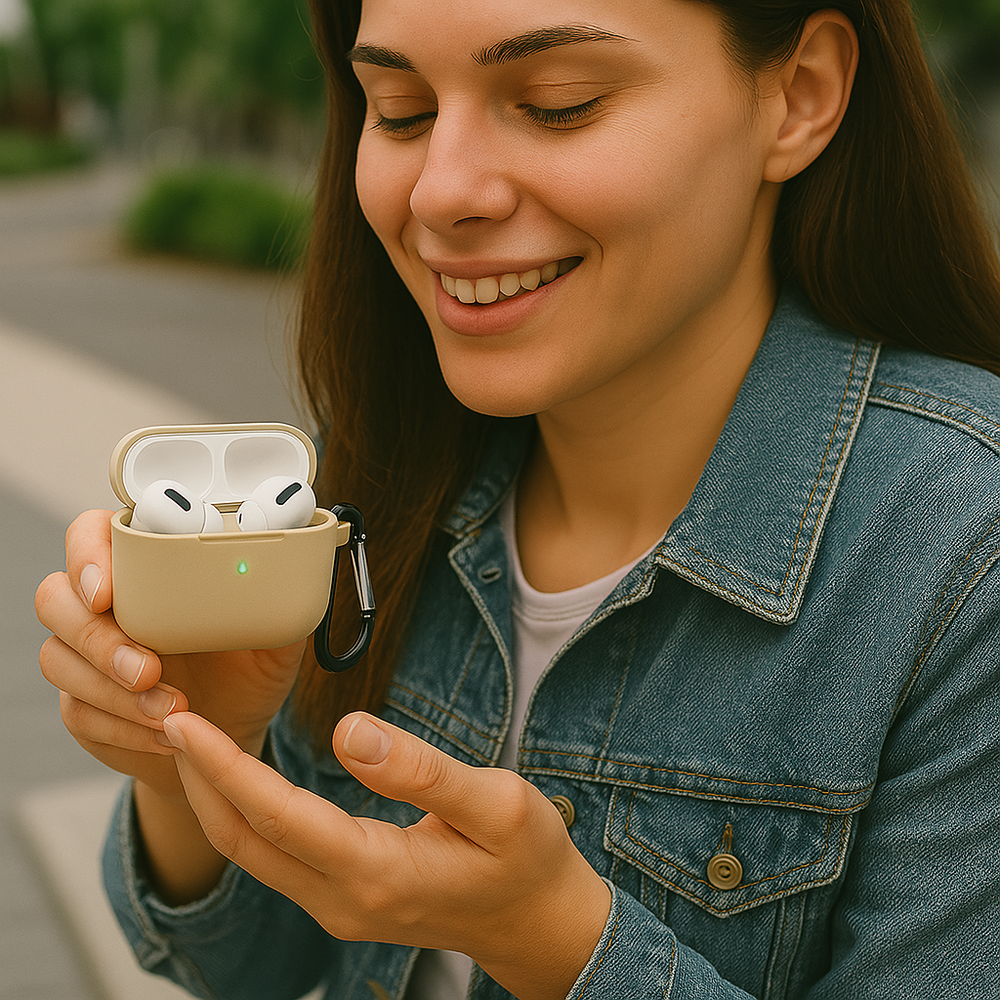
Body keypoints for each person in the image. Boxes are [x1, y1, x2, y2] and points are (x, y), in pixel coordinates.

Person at [34, 0, 1000, 997]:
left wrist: (561, 946)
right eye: (400, 110)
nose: (442, 191)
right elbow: (243, 964)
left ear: (798, 97)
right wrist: (191, 745)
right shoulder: (374, 481)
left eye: (555, 102)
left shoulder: (963, 552)